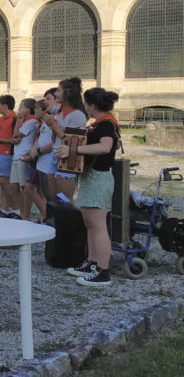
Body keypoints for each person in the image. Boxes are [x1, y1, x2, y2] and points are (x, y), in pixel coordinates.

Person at [59, 87, 120, 287]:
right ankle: (92, 263)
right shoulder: (100, 124)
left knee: (98, 226)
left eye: (86, 104)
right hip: (91, 177)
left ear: (92, 106)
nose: (85, 107)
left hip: (99, 178)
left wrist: (74, 150)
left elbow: (106, 147)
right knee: (90, 224)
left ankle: (102, 270)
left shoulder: (106, 125)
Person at [42, 77, 88, 202]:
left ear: (67, 93)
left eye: (58, 90)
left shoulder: (78, 115)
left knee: (64, 199)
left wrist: (54, 124)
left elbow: (71, 141)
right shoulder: (60, 113)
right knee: (52, 197)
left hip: (68, 160)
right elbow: (55, 137)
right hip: (55, 155)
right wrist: (51, 125)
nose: (55, 93)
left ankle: (67, 222)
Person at [10, 98, 46, 221]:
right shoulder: (24, 121)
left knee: (25, 187)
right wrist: (19, 120)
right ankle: (22, 212)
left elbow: (16, 135)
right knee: (15, 186)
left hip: (23, 157)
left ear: (28, 109)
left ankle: (26, 215)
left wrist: (18, 119)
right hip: (17, 156)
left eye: (21, 107)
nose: (19, 109)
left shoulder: (30, 122)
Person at [32, 88, 59, 200]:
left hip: (50, 164)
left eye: (48, 99)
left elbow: (55, 142)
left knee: (53, 197)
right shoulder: (47, 119)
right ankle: (45, 217)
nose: (45, 102)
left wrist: (38, 151)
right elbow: (42, 137)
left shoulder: (58, 119)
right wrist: (34, 149)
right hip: (41, 164)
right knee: (45, 196)